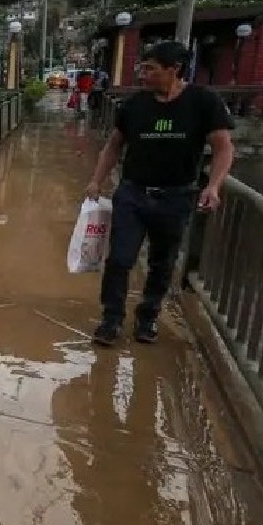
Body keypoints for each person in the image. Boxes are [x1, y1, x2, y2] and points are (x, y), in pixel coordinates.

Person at [84, 40, 235, 345]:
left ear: (174, 69)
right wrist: (96, 180)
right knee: (120, 260)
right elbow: (114, 145)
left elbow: (223, 148)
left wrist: (214, 185)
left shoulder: (203, 102)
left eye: (150, 69)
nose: (142, 75)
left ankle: (147, 318)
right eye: (141, 68)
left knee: (162, 263)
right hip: (133, 194)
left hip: (176, 197)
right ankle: (111, 319)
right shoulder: (135, 105)